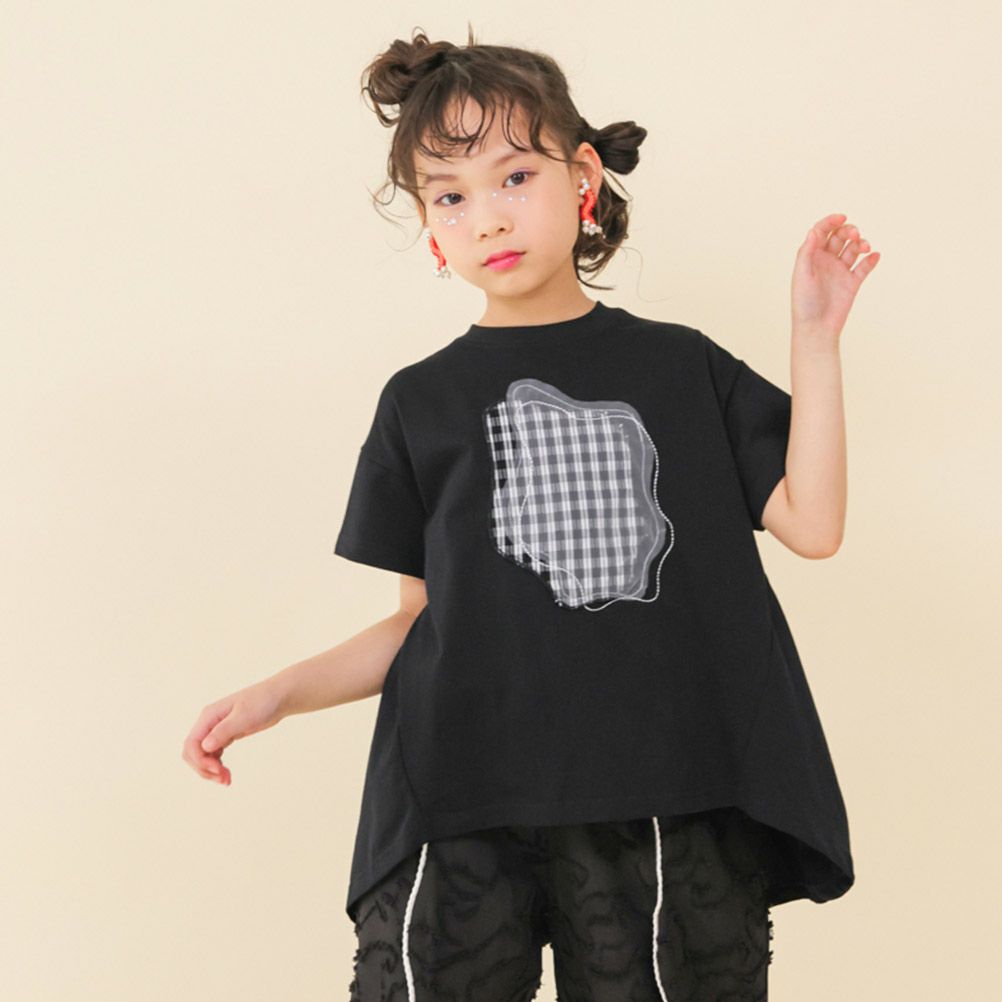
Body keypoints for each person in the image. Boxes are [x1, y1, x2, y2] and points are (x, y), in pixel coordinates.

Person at [181, 23, 880, 1002]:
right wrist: (276, 696)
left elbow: (814, 522)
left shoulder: (681, 367)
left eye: (515, 177)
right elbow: (421, 624)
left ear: (582, 178)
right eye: (451, 196)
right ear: (430, 228)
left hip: (664, 787)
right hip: (460, 796)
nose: (488, 218)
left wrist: (814, 336)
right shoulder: (419, 404)